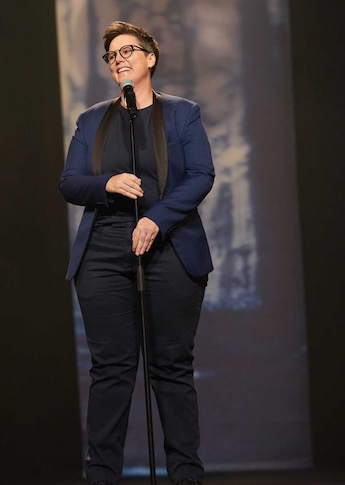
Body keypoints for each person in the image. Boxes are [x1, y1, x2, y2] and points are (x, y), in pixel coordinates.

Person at [59, 20, 214, 485]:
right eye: (111, 55)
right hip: (105, 251)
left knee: (171, 367)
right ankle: (102, 476)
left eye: (129, 50)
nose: (119, 58)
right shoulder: (91, 120)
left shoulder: (183, 113)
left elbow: (201, 175)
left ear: (150, 57)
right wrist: (105, 183)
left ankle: (185, 475)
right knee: (111, 370)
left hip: (168, 246)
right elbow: (68, 182)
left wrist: (156, 218)